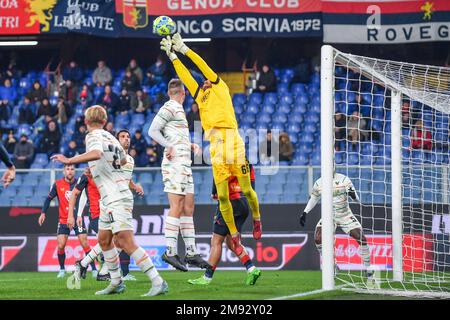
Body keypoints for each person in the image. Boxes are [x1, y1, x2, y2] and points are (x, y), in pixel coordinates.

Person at [160, 34, 262, 255]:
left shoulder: (220, 86)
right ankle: (234, 233)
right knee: (223, 196)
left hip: (233, 141)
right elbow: (187, 77)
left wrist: (183, 49)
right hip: (215, 147)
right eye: (203, 81)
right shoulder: (200, 97)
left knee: (246, 189)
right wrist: (172, 57)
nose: (204, 81)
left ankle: (257, 218)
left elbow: (201, 66)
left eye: (206, 79)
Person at [51, 105, 167, 296]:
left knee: (125, 241)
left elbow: (96, 154)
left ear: (86, 122)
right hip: (110, 197)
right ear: (104, 122)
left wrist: (69, 160)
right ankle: (116, 282)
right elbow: (122, 160)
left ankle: (157, 281)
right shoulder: (111, 137)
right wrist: (100, 167)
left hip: (116, 197)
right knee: (104, 240)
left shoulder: (93, 136)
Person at [149, 79, 210, 271]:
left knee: (188, 207)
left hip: (184, 164)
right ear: (182, 93)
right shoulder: (170, 107)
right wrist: (168, 146)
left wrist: (189, 145)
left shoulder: (178, 110)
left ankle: (191, 252)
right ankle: (170, 251)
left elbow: (172, 135)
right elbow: (152, 130)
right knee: (177, 205)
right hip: (174, 164)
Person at [69, 131, 145, 282]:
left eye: (128, 137)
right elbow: (97, 162)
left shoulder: (129, 160)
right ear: (116, 141)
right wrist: (89, 169)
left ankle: (84, 264)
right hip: (109, 203)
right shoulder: (108, 157)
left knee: (111, 241)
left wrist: (135, 186)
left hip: (120, 202)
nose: (126, 139)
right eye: (123, 137)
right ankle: (107, 272)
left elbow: (124, 179)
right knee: (118, 240)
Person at [188, 164, 261, 286]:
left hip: (229, 203)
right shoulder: (247, 163)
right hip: (243, 204)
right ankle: (252, 269)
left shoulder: (221, 159)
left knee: (216, 241)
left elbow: (217, 179)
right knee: (232, 242)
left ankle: (207, 277)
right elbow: (251, 188)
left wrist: (214, 192)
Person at [299, 171, 373, 278]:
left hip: (345, 215)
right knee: (318, 238)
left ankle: (368, 268)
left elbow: (356, 198)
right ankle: (332, 265)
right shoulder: (319, 183)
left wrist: (354, 197)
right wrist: (305, 212)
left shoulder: (344, 180)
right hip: (328, 216)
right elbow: (314, 198)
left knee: (361, 238)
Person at [37, 164, 92, 278]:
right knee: (61, 245)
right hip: (63, 220)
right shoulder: (57, 184)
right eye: (67, 169)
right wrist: (43, 213)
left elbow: (87, 196)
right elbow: (48, 199)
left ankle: (95, 270)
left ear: (75, 171)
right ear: (63, 171)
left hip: (77, 219)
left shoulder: (80, 183)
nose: (70, 171)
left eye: (72, 169)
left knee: (85, 243)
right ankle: (62, 269)